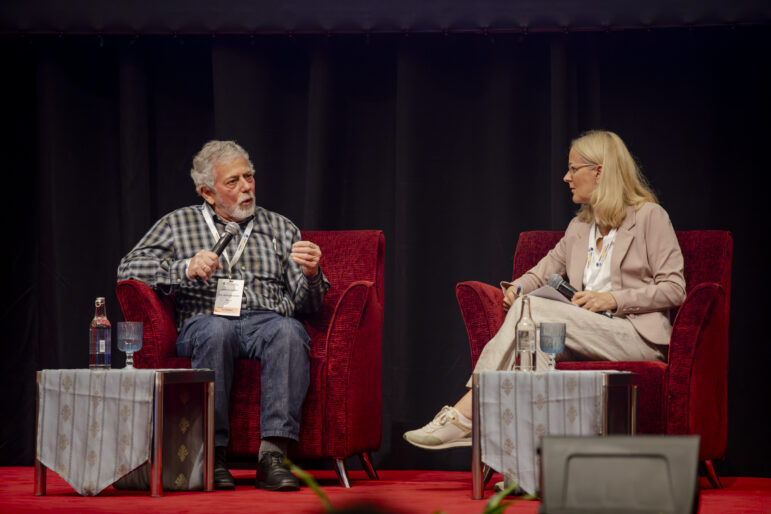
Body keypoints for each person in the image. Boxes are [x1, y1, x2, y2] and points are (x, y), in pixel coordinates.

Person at [403, 130, 686, 450]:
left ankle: (467, 414)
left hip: (635, 335)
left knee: (531, 311)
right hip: (586, 334)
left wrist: (612, 299)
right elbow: (542, 271)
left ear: (599, 171)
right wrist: (517, 288)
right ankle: (530, 460)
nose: (566, 177)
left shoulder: (649, 217)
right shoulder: (580, 227)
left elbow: (674, 288)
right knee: (532, 345)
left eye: (573, 168)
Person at [118, 140, 329, 491]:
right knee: (217, 331)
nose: (247, 187)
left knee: (290, 331)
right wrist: (184, 267)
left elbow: (307, 305)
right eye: (233, 181)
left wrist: (311, 275)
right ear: (208, 193)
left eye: (249, 177)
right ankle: (213, 456)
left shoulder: (281, 228)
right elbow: (128, 268)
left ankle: (273, 457)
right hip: (205, 319)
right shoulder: (178, 223)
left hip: (267, 320)